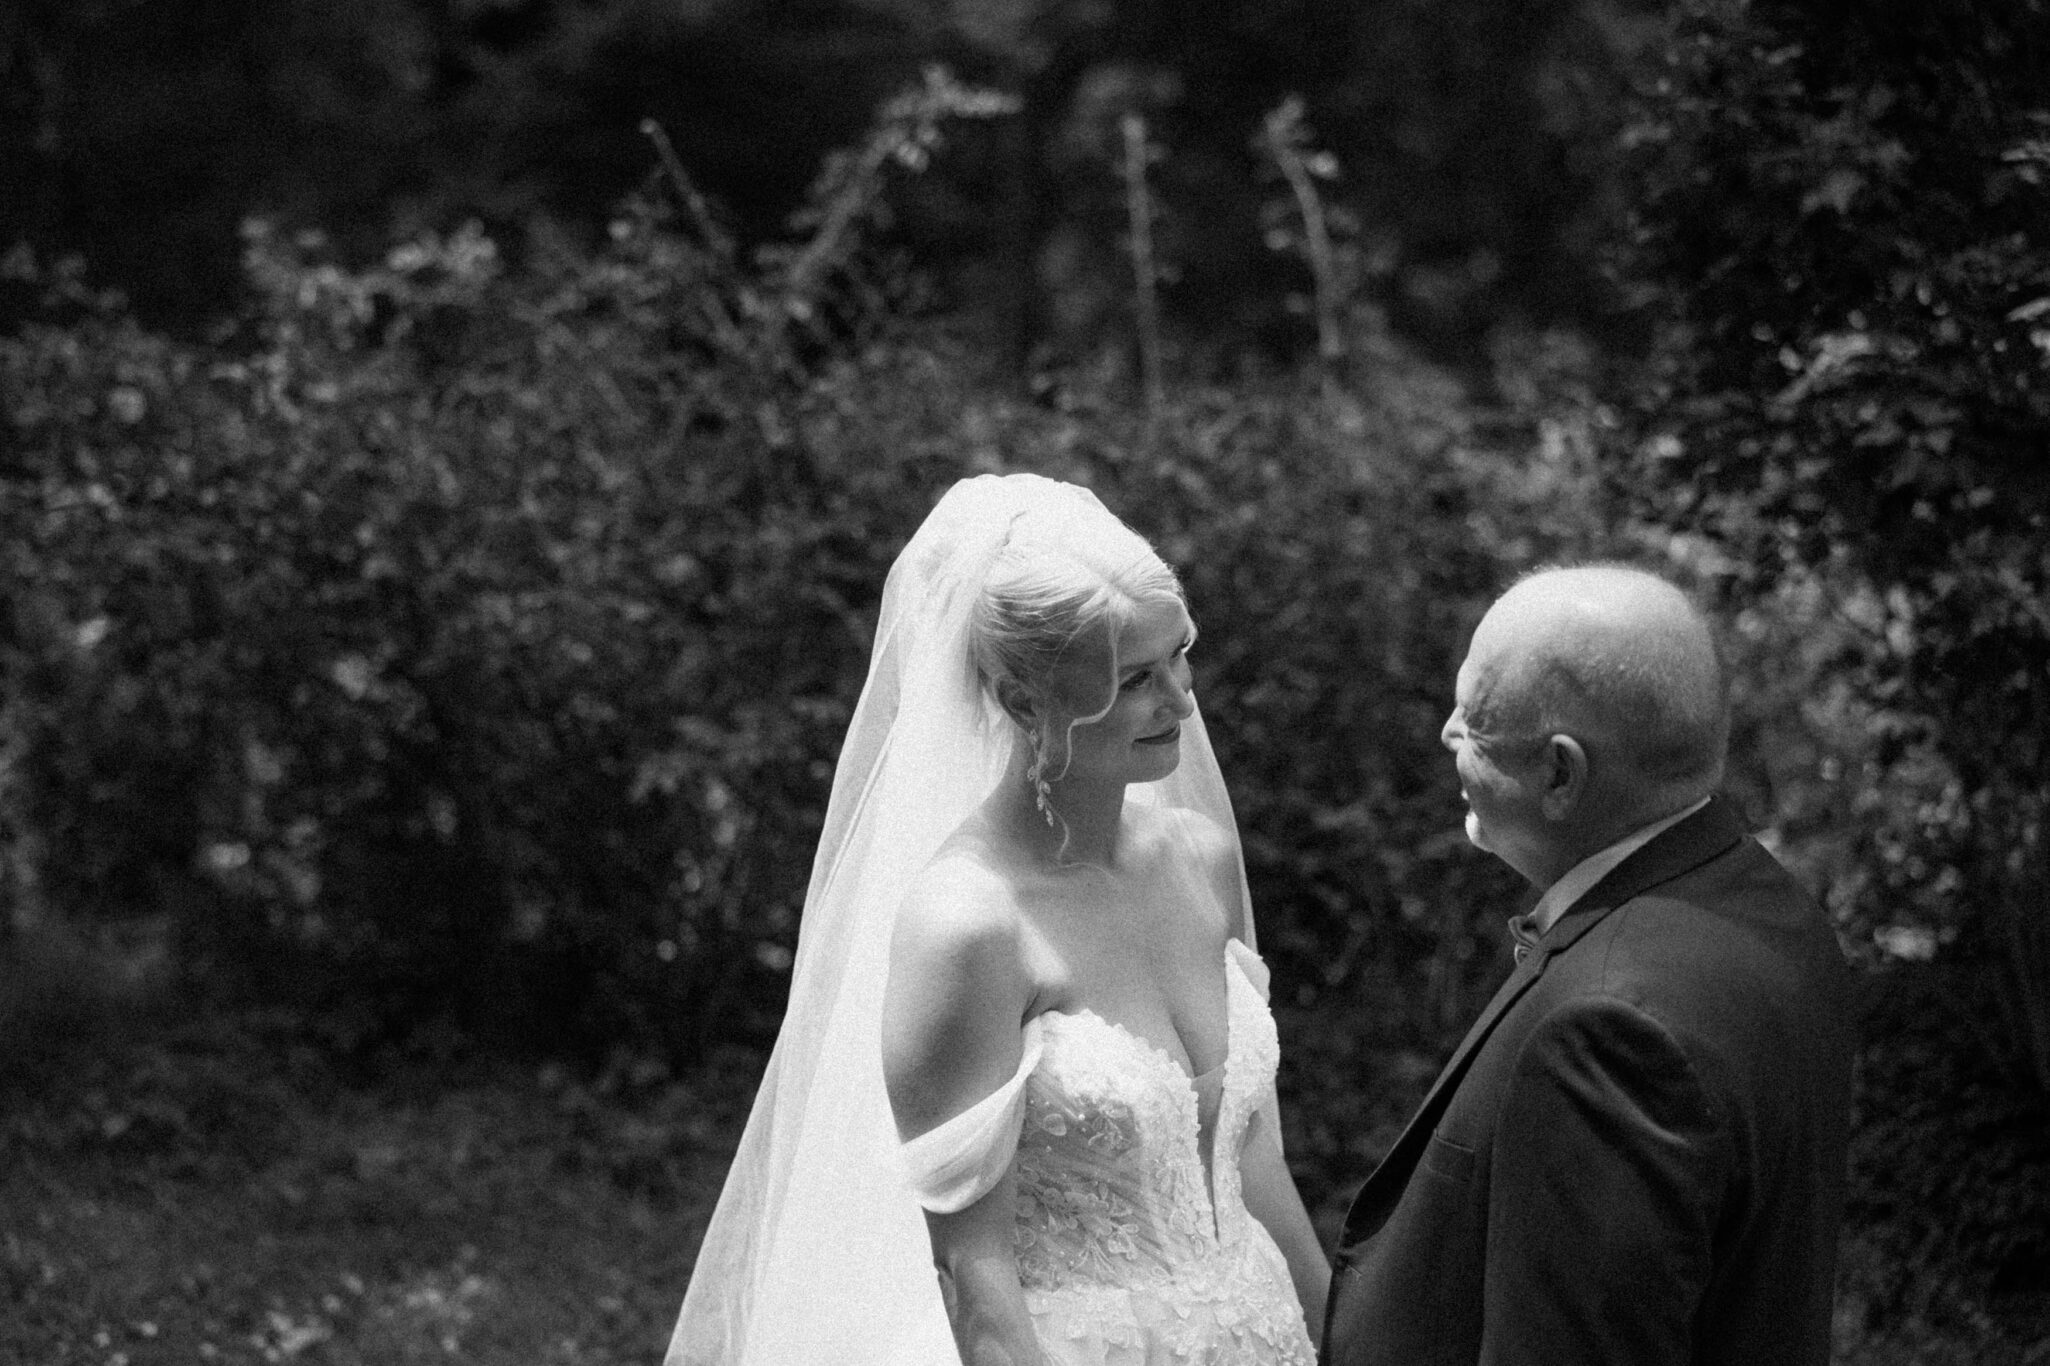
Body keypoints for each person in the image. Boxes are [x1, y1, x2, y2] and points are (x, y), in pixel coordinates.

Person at [667, 473, 1328, 1366]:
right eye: (1135, 679)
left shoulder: (1198, 860)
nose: (1180, 701)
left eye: (1180, 657)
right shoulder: (968, 926)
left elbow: (1254, 1164)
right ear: (1024, 703)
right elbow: (972, 1276)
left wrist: (1344, 1332)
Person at [1322, 563, 1856, 1366]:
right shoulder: (1774, 911)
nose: (1446, 734)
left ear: (1561, 773)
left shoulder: (1608, 1032)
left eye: (1473, 717)